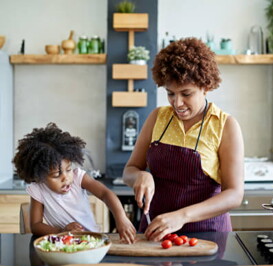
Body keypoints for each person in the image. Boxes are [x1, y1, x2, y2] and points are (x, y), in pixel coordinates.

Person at [123, 37, 244, 241]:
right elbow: (129, 170)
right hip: (155, 232)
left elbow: (234, 194)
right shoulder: (157, 118)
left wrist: (182, 216)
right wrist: (141, 176)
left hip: (207, 236)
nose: (177, 103)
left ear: (205, 86)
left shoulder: (224, 125)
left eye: (186, 94)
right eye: (170, 94)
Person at [13, 123, 136, 243]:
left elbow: (105, 193)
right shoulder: (38, 189)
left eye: (68, 169)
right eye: (56, 175)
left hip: (92, 240)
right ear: (40, 176)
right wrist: (62, 231)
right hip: (63, 244)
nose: (66, 178)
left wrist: (121, 218)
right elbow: (35, 225)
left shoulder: (78, 178)